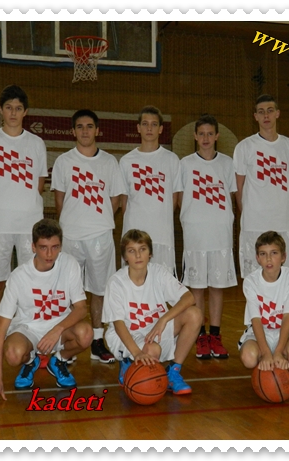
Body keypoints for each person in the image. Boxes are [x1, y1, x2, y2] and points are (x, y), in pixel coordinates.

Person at [0, 85, 48, 372]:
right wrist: (3, 205)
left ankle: (37, 343)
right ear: (0, 110)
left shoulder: (36, 144)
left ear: (25, 112)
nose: (13, 113)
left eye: (18, 108)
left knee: (34, 285)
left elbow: (39, 185)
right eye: (9, 108)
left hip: (29, 226)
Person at [0, 219, 92, 406]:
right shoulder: (18, 277)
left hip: (60, 327)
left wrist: (56, 329)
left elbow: (81, 308)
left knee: (86, 333)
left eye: (55, 247)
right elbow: (0, 327)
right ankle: (30, 362)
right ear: (33, 247)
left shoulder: (69, 264)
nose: (49, 254)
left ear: (61, 246)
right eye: (43, 247)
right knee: (13, 354)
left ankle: (59, 361)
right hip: (29, 329)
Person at [51, 109, 127, 364]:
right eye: (80, 126)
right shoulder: (63, 161)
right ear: (73, 131)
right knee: (67, 291)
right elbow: (59, 201)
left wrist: (98, 220)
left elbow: (115, 200)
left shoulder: (109, 162)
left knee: (99, 290)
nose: (85, 131)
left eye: (90, 126)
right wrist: (73, 223)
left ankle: (96, 340)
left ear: (98, 130)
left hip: (100, 236)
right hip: (71, 236)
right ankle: (66, 340)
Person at [102, 229, 202, 394]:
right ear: (125, 257)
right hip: (126, 334)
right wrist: (137, 353)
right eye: (131, 251)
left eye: (142, 249)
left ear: (150, 253)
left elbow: (189, 298)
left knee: (194, 314)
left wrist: (163, 320)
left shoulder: (159, 273)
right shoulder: (116, 283)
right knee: (152, 350)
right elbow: (118, 324)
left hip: (154, 329)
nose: (138, 255)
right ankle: (127, 361)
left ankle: (173, 372)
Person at [178, 114, 237, 360]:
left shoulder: (227, 163)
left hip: (220, 234)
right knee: (197, 288)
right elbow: (180, 198)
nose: (205, 138)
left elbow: (232, 196)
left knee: (217, 287)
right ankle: (200, 336)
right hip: (195, 235)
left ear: (217, 136)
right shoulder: (185, 164)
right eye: (201, 134)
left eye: (210, 134)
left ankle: (215, 335)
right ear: (195, 136)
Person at [233, 94, 289, 279]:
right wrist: (248, 212)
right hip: (254, 222)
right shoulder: (244, 147)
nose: (266, 115)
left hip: (283, 220)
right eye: (261, 112)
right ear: (255, 116)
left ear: (277, 113)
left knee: (286, 276)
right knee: (255, 277)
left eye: (270, 111)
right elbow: (238, 188)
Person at [119, 106, 182, 275]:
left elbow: (174, 199)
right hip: (134, 236)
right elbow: (124, 202)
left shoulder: (172, 160)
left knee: (162, 284)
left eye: (154, 124)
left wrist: (160, 219)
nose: (149, 128)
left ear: (160, 129)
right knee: (133, 284)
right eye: (145, 124)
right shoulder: (126, 161)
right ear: (138, 128)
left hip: (162, 236)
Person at [238, 231, 289, 371]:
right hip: (259, 332)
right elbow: (256, 320)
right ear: (257, 258)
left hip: (288, 332)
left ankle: (280, 363)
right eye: (263, 254)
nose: (268, 259)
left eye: (274, 253)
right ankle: (266, 366)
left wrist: (278, 351)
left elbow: (288, 316)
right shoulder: (251, 281)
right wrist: (265, 353)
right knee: (248, 358)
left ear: (283, 257)